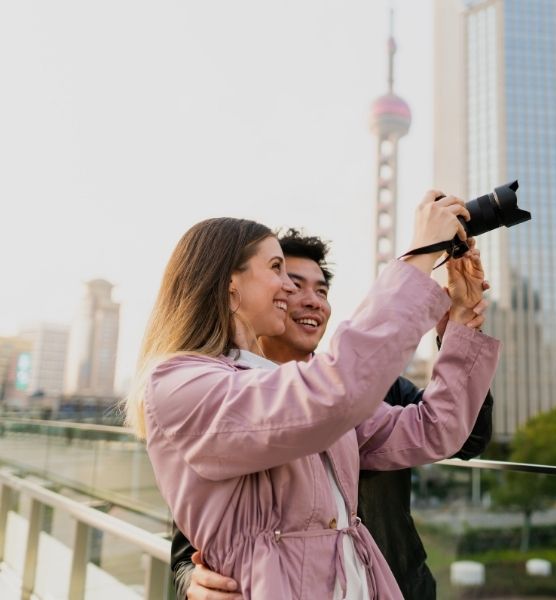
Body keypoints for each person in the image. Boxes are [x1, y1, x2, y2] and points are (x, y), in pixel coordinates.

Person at [126, 192, 500, 599]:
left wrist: (461, 324)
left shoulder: (301, 385)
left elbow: (435, 430)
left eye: (317, 288)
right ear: (230, 285)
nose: (289, 288)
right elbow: (333, 392)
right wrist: (420, 255)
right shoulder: (181, 384)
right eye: (277, 269)